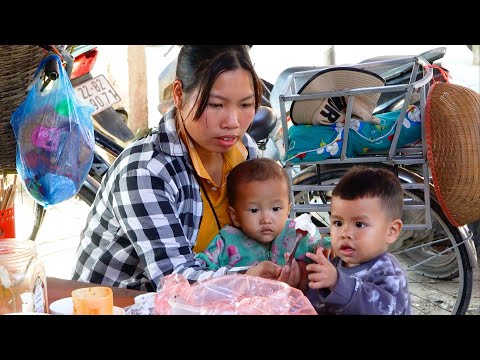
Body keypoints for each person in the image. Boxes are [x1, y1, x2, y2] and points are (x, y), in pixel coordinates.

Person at [72, 46, 299, 292]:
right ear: (179, 94)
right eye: (216, 105)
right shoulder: (146, 171)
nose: (233, 122)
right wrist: (246, 279)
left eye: (245, 105)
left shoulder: (244, 149)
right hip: (124, 303)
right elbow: (175, 282)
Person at [305, 166, 412, 315]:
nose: (345, 233)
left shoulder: (388, 273)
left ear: (391, 231)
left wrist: (338, 283)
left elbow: (385, 310)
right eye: (338, 223)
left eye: (359, 224)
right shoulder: (335, 264)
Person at [194, 158, 328, 270]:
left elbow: (323, 249)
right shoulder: (225, 243)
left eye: (275, 209)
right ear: (235, 216)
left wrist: (328, 248)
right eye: (254, 210)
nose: (266, 219)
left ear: (288, 210)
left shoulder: (300, 235)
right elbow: (202, 270)